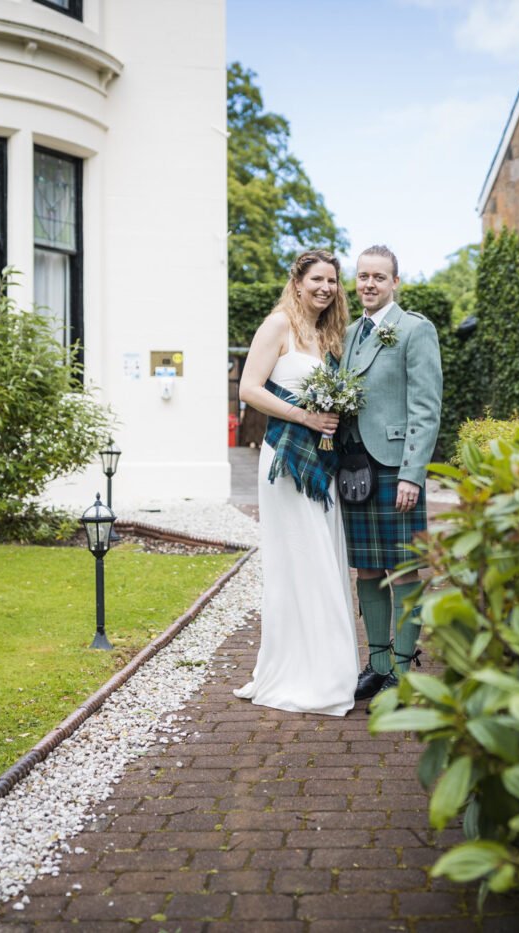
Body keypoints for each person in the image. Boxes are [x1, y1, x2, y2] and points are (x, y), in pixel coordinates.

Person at [234, 249, 359, 716]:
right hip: (285, 461)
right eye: (317, 280)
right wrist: (304, 415)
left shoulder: (328, 334)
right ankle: (302, 673)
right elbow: (249, 388)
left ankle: (327, 668)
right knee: (298, 560)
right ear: (298, 281)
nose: (325, 288)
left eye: (332, 281)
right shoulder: (278, 324)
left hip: (320, 462)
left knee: (323, 557)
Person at [341, 245, 443, 701]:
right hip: (354, 468)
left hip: (394, 466)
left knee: (402, 571)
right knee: (365, 568)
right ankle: (377, 664)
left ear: (395, 282)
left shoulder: (415, 330)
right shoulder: (347, 335)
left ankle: (402, 669)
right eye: (363, 276)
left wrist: (412, 474)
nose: (369, 284)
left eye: (379, 277)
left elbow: (426, 407)